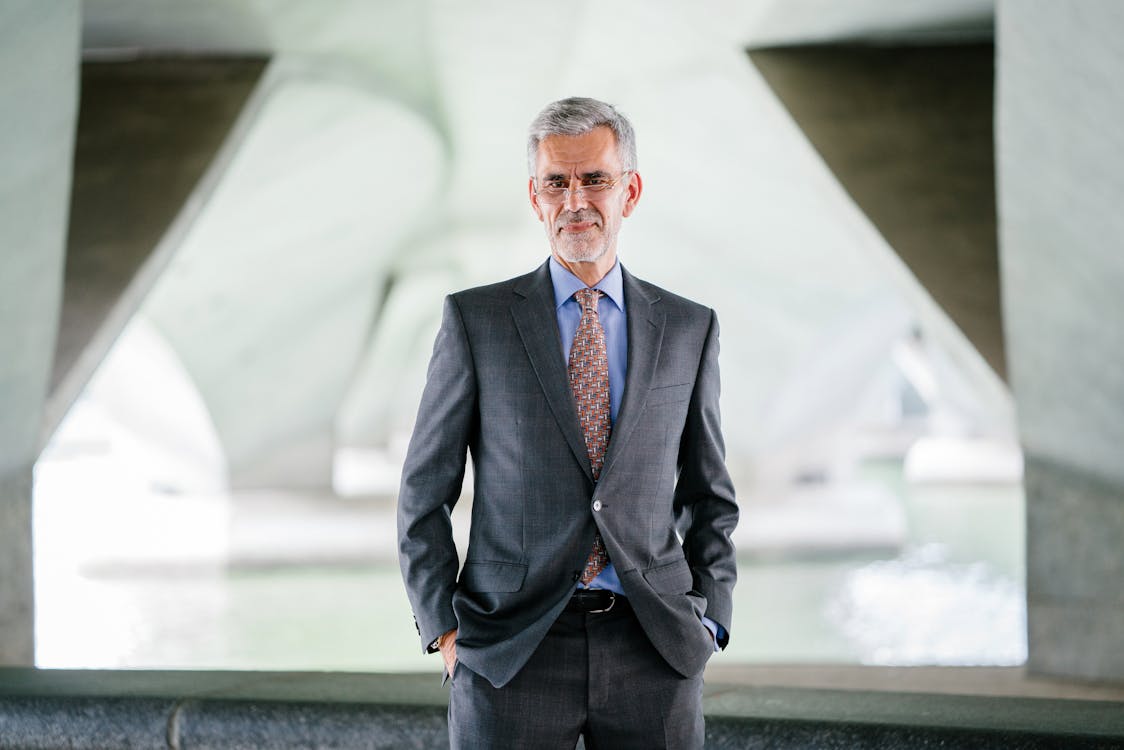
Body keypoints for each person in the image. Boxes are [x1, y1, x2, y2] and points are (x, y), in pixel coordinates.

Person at [397, 96, 738, 749]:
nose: (575, 199)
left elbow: (710, 496)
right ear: (535, 196)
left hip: (655, 648)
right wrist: (442, 627)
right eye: (557, 182)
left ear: (630, 191)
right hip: (510, 652)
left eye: (595, 179)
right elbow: (422, 492)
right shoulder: (478, 322)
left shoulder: (689, 328)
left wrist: (710, 618)